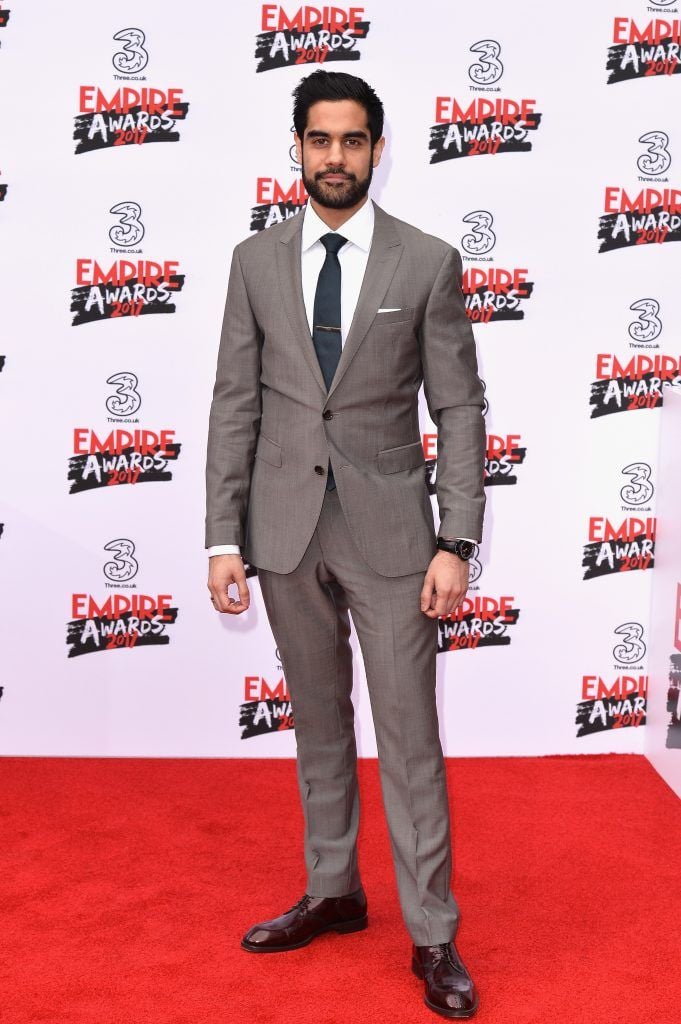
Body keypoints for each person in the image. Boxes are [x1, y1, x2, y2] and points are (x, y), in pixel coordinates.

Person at [205, 69, 486, 1020]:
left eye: (352, 140)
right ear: (297, 146)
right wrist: (220, 537)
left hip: (395, 536)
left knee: (410, 739)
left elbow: (456, 404)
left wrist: (456, 539)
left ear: (376, 148)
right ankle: (334, 890)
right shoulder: (253, 261)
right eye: (319, 139)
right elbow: (234, 405)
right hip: (283, 533)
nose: (335, 156)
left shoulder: (425, 261)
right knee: (319, 723)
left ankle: (433, 934)